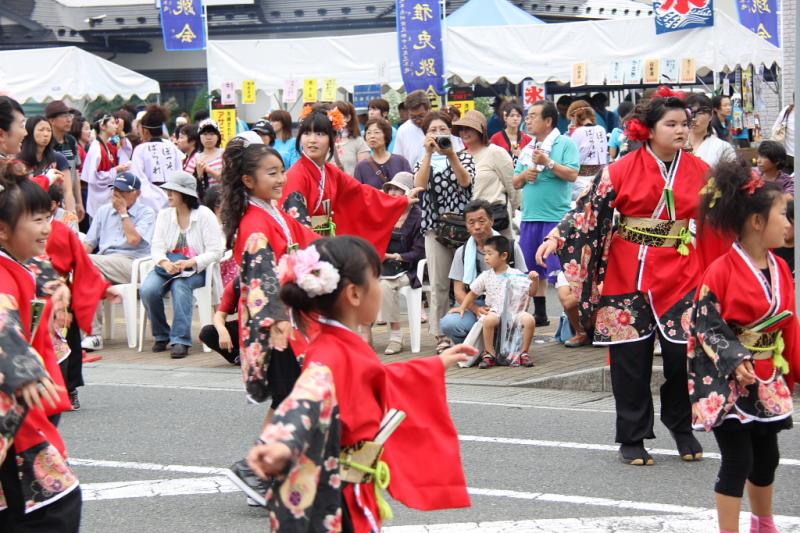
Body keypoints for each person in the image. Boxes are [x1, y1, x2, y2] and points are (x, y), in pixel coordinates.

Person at [247, 236, 474, 532]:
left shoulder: (339, 343)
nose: (380, 287)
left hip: (350, 490)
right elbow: (307, 396)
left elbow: (376, 378)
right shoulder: (330, 352)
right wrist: (283, 441)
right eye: (376, 279)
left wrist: (435, 365)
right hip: (339, 499)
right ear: (354, 293)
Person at [536, 86, 708, 466]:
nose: (681, 130)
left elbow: (724, 216)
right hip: (627, 270)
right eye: (671, 124)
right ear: (649, 129)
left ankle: (681, 424)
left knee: (684, 355)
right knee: (630, 360)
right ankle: (632, 436)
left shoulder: (702, 172)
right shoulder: (620, 169)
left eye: (684, 123)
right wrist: (556, 237)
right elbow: (586, 209)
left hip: (682, 270)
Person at [689, 159, 799, 533]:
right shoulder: (721, 270)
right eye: (782, 215)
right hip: (728, 379)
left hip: (766, 375)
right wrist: (735, 358)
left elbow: (789, 325)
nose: (789, 224)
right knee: (738, 460)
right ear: (756, 221)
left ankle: (763, 523)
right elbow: (705, 323)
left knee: (768, 458)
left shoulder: (780, 268)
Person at [220, 137, 321, 507]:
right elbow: (261, 280)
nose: (280, 179)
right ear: (249, 180)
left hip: (283, 318)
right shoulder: (256, 224)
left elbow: (304, 237)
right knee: (289, 398)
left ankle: (263, 474)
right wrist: (278, 323)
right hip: (274, 325)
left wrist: (343, 250)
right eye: (272, 173)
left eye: (281, 172)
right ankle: (255, 469)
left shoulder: (269, 213)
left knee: (288, 398)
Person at [0, 161, 82, 530]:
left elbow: (41, 269)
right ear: (3, 230)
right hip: (13, 402)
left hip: (19, 403)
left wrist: (57, 288)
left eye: (47, 216)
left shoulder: (19, 262)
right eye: (36, 219)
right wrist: (22, 368)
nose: (47, 227)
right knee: (54, 506)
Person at [281, 107, 411, 256]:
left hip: (325, 242)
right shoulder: (296, 176)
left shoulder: (330, 171)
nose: (312, 140)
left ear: (333, 138)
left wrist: (399, 200)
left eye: (320, 133)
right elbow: (297, 226)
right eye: (306, 133)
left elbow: (360, 193)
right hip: (308, 249)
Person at [140, 171, 225, 358]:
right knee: (148, 290)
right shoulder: (164, 215)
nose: (169, 194)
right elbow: (157, 247)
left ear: (186, 194)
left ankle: (180, 339)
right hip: (168, 265)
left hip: (196, 268)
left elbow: (216, 251)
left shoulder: (205, 215)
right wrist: (164, 263)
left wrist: (192, 262)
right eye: (168, 191)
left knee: (180, 286)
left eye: (173, 191)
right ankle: (162, 335)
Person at [413, 111, 475, 353]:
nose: (438, 134)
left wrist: (451, 155)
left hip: (464, 229)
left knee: (467, 281)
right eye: (432, 130)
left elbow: (465, 182)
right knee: (439, 283)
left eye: (442, 129)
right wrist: (429, 153)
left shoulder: (464, 156)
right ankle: (441, 334)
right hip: (434, 229)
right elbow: (419, 186)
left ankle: (468, 328)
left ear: (451, 132)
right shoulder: (423, 160)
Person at [513, 100, 580, 326]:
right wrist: (525, 176)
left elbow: (572, 174)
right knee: (533, 268)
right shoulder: (528, 148)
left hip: (556, 218)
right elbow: (515, 182)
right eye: (528, 116)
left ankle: (571, 318)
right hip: (530, 216)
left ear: (548, 120)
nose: (528, 120)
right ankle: (540, 314)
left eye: (533, 116)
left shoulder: (565, 143)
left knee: (560, 270)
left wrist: (548, 162)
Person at [81, 172, 156, 351]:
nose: (117, 195)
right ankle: (93, 335)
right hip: (103, 263)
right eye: (115, 190)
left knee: (86, 263)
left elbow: (133, 240)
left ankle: (89, 334)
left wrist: (123, 213)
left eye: (123, 192)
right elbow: (89, 244)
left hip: (132, 264)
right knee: (88, 275)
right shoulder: (103, 211)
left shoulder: (147, 213)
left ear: (137, 194)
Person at [441, 200, 528, 346]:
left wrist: (514, 310)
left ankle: (495, 340)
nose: (477, 227)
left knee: (520, 325)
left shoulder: (510, 247)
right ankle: (477, 346)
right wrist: (476, 309)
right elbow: (458, 290)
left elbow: (524, 285)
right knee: (448, 323)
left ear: (491, 221)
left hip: (506, 305)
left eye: (482, 221)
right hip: (476, 302)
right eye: (471, 222)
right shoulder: (462, 252)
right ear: (466, 226)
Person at [453, 235, 538, 368]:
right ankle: (489, 353)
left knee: (529, 320)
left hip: (515, 312)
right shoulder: (486, 276)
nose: (486, 257)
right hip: (495, 311)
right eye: (485, 253)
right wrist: (462, 307)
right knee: (488, 320)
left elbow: (531, 292)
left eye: (490, 253)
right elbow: (472, 293)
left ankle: (523, 353)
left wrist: (535, 280)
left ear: (503, 256)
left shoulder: (516, 274)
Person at [376, 172, 424, 355]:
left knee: (384, 285)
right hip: (383, 265)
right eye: (390, 189)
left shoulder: (418, 217)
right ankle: (362, 335)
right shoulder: (385, 213)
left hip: (408, 267)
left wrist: (394, 256)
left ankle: (396, 335)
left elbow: (419, 252)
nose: (392, 193)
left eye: (398, 189)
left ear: (409, 193)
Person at [454, 110, 518, 236]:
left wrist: (512, 209)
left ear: (480, 130)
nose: (464, 132)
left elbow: (513, 185)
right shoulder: (458, 157)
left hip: (495, 218)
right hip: (469, 223)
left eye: (469, 128)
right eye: (461, 129)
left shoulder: (496, 152)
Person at [81, 113, 131, 218]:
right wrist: (116, 170)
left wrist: (121, 133)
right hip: (99, 202)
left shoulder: (106, 144)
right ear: (102, 126)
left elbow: (121, 145)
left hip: (107, 198)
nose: (116, 126)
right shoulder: (96, 148)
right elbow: (94, 177)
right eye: (112, 123)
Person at [129, 104, 177, 211]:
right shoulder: (172, 147)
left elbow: (138, 179)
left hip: (149, 203)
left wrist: (153, 199)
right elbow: (179, 174)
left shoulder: (140, 149)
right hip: (173, 197)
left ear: (145, 131)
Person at [45, 100, 85, 226]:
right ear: (52, 121)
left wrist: (79, 202)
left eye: (70, 116)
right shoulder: (46, 144)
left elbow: (75, 173)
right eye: (64, 116)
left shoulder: (71, 141)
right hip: (51, 203)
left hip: (69, 199)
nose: (69, 120)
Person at [567, 100, 609, 201]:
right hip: (599, 177)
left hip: (580, 178)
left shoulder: (577, 132)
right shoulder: (601, 129)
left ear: (575, 117)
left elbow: (570, 157)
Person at [354, 117, 411, 189]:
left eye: (376, 132)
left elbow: (409, 188)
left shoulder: (401, 161)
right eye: (368, 133)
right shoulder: (361, 167)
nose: (372, 136)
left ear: (386, 135)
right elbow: (358, 192)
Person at [685, 94, 736, 167]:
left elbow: (734, 172)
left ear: (710, 115)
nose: (694, 119)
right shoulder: (677, 145)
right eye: (690, 113)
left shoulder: (723, 148)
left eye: (700, 113)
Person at [184, 118, 224, 196]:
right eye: (205, 134)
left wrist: (209, 170)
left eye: (212, 134)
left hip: (224, 198)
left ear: (218, 136)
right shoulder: (195, 159)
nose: (208, 137)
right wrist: (199, 175)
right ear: (199, 137)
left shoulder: (225, 155)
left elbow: (230, 180)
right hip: (202, 200)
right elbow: (187, 185)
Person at [393, 90, 431, 167]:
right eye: (413, 117)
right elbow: (398, 160)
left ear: (428, 110)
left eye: (421, 116)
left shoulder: (440, 126)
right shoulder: (403, 130)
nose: (417, 120)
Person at [333, 101, 370, 175]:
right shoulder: (325, 140)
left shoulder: (358, 142)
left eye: (338, 115)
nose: (334, 119)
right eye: (333, 115)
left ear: (348, 118)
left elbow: (364, 172)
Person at [770, 99, 794, 168]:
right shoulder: (787, 111)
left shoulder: (786, 110)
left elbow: (774, 129)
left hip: (787, 154)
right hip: (788, 155)